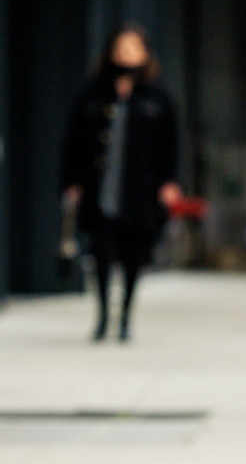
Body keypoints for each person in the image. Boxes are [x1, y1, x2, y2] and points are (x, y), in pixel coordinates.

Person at [60, 24, 181, 342]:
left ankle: (125, 316)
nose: (126, 54)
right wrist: (71, 181)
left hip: (139, 191)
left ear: (145, 53)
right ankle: (102, 316)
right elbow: (72, 142)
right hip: (99, 187)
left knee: (133, 255)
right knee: (100, 252)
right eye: (120, 47)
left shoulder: (158, 96)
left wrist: (169, 182)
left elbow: (172, 145)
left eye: (133, 48)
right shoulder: (92, 93)